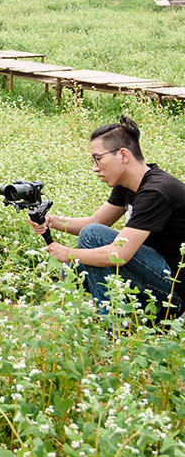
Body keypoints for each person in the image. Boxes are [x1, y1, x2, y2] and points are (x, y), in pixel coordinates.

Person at [28, 116, 185, 316]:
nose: (94, 168)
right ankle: (138, 318)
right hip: (154, 273)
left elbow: (119, 254)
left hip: (175, 290)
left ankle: (113, 324)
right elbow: (95, 221)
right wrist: (51, 220)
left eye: (98, 158)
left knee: (92, 238)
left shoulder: (156, 191)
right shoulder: (127, 185)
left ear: (123, 155)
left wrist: (69, 253)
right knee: (72, 270)